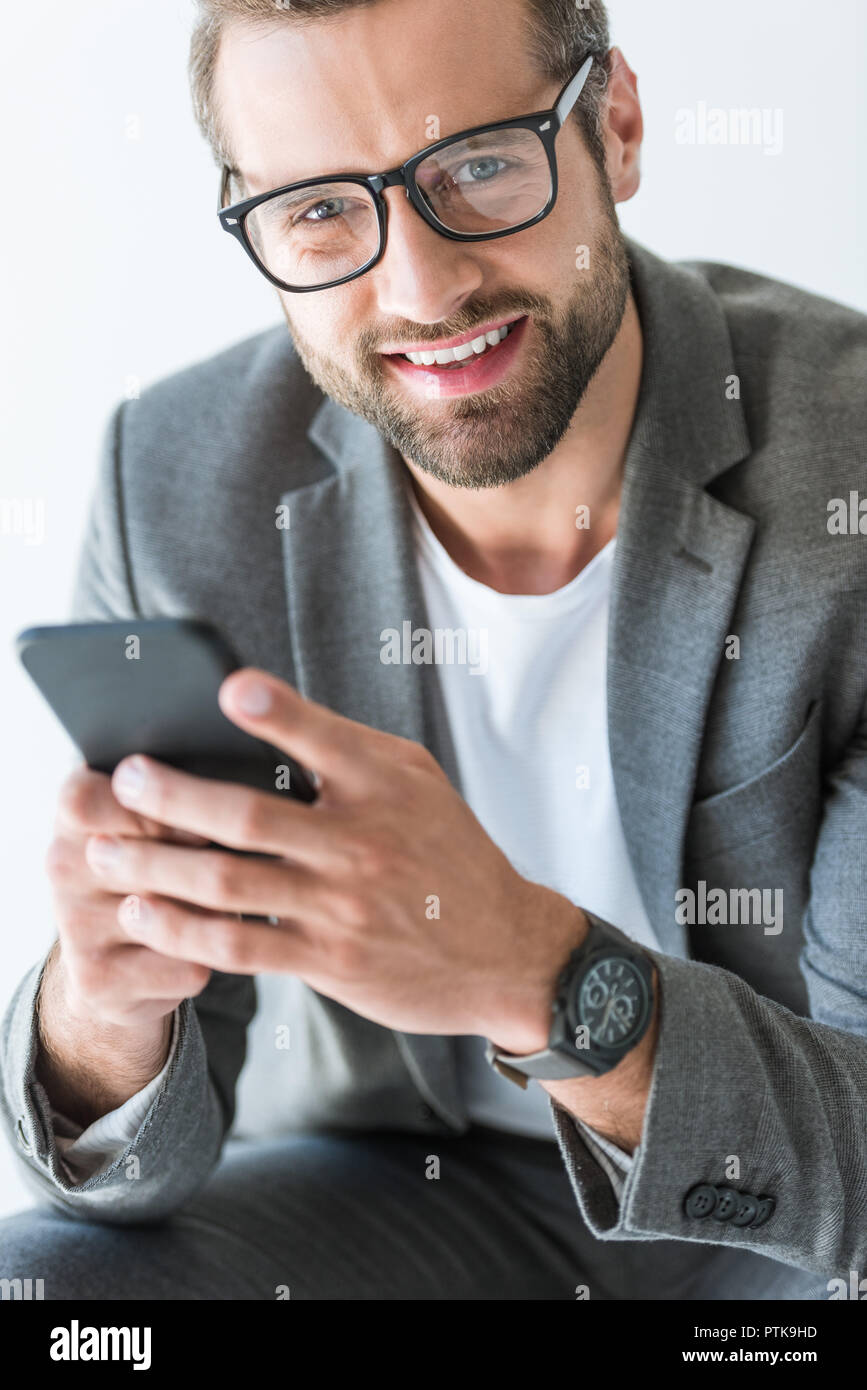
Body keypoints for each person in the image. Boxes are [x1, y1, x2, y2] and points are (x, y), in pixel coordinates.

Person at [1, 0, 864, 1300]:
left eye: (477, 165)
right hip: (418, 1197)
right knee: (49, 1291)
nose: (420, 289)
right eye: (320, 210)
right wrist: (100, 1016)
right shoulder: (172, 484)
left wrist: (528, 965)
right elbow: (128, 1179)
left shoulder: (846, 473)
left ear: (615, 127)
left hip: (795, 1205)